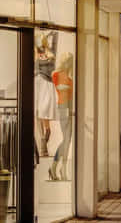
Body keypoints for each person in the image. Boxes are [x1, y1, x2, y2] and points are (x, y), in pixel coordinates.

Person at [49, 52, 74, 181]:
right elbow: (59, 92)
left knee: (68, 140)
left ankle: (59, 168)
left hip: (70, 109)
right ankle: (57, 167)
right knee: (66, 140)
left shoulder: (69, 77)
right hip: (63, 108)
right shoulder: (57, 75)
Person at [35, 33, 57, 157]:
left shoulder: (50, 55)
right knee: (38, 116)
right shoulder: (36, 54)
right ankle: (42, 147)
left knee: (44, 116)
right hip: (37, 86)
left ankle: (43, 144)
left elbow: (51, 65)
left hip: (46, 86)